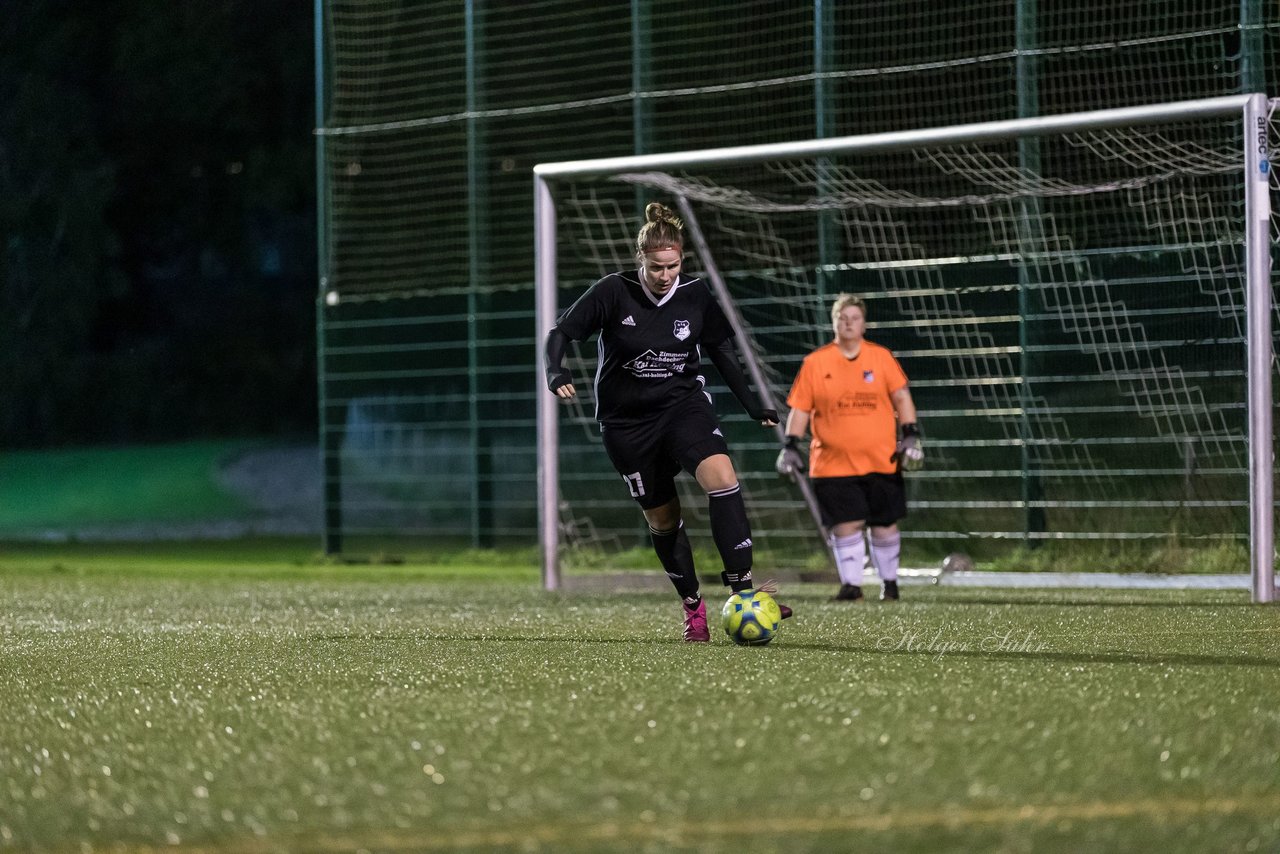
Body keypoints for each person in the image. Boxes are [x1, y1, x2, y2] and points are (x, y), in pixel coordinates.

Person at [544, 202, 791, 642]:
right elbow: (559, 333)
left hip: (682, 406)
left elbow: (720, 350)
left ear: (682, 260)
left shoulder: (694, 295)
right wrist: (555, 370)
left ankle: (743, 591)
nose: (665, 275)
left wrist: (753, 403)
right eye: (657, 267)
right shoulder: (612, 291)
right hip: (626, 424)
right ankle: (693, 607)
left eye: (673, 266)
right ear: (642, 259)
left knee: (722, 477)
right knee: (663, 519)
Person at [776, 294, 923, 602]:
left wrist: (910, 433)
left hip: (881, 460)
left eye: (854, 318)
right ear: (834, 322)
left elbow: (901, 397)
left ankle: (890, 585)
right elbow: (800, 409)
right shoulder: (816, 363)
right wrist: (790, 445)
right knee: (846, 525)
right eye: (843, 318)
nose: (848, 324)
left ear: (864, 323)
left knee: (884, 524)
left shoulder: (881, 357)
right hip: (832, 463)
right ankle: (851, 586)